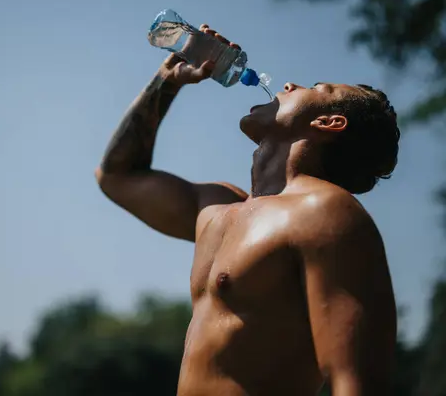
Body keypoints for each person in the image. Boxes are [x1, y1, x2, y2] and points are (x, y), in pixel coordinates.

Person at [95, 24, 400, 396]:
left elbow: (355, 382)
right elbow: (116, 175)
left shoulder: (326, 212)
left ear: (328, 123)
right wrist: (167, 82)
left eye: (316, 89)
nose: (288, 86)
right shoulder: (216, 208)